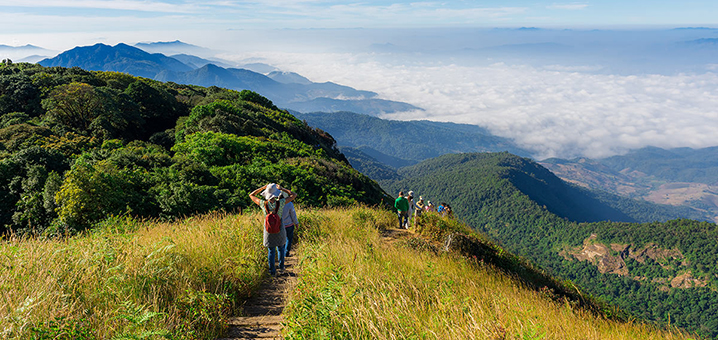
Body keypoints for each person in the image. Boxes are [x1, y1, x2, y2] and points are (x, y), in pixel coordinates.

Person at [249, 183, 297, 276]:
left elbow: (251, 195)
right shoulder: (281, 202)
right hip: (279, 228)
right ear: (276, 194)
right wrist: (282, 189)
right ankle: (281, 268)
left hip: (268, 230)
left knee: (271, 251)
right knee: (281, 248)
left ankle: (272, 271)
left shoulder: (263, 204)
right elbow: (294, 195)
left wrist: (262, 188)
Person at [282, 191, 299, 258]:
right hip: (289, 224)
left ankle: (281, 254)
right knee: (289, 239)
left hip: (280, 225)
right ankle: (286, 253)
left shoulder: (277, 204)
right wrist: (296, 223)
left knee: (282, 240)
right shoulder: (290, 204)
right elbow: (293, 215)